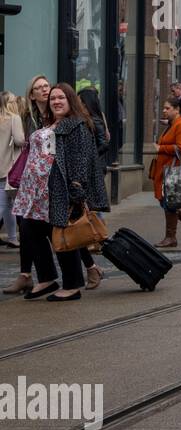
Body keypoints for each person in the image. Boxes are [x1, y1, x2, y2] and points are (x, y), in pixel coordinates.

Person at [11, 83, 103, 301]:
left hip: (60, 190)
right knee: (29, 228)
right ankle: (47, 278)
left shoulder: (76, 126)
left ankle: (72, 285)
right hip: (39, 193)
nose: (56, 101)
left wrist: (76, 191)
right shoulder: (51, 123)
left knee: (64, 234)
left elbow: (80, 160)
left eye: (61, 98)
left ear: (71, 101)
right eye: (53, 98)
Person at [3, 76, 53, 294]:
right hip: (31, 180)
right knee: (26, 226)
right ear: (31, 95)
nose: (44, 90)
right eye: (38, 87)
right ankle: (26, 275)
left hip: (52, 180)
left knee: (57, 228)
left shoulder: (56, 114)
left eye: (46, 86)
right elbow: (24, 144)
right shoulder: (28, 117)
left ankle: (89, 267)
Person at [151, 96, 181, 247]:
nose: (164, 111)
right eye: (164, 108)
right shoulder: (173, 124)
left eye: (167, 108)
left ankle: (171, 237)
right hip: (166, 169)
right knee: (168, 202)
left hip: (174, 169)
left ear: (177, 109)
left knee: (170, 203)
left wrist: (160, 148)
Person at [77, 87, 111, 289]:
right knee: (90, 205)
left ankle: (98, 237)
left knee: (92, 205)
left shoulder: (95, 119)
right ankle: (97, 237)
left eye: (81, 101)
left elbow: (104, 143)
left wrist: (90, 157)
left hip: (94, 168)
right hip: (92, 167)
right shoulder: (85, 119)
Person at [0, 91, 26, 250]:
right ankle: (13, 238)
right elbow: (19, 140)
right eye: (13, 100)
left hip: (1, 168)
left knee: (8, 207)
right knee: (4, 205)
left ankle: (12, 238)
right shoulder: (14, 118)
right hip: (10, 168)